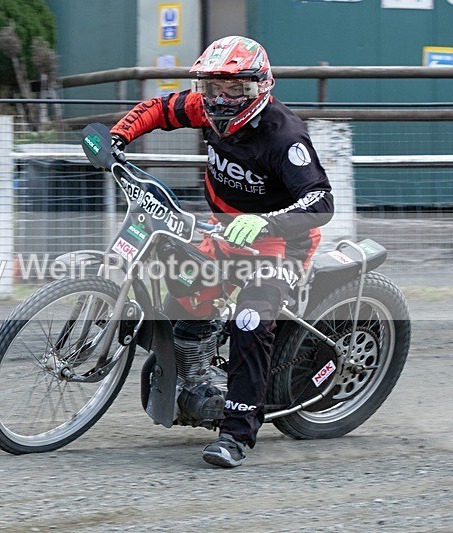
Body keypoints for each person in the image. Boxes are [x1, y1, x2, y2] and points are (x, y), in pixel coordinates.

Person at [110, 36, 334, 468]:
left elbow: (321, 201)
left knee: (250, 319)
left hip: (282, 242)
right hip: (226, 228)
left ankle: (236, 435)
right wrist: (119, 136)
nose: (221, 98)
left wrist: (269, 222)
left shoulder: (284, 136)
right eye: (212, 87)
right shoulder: (205, 108)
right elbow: (160, 108)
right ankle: (195, 371)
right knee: (183, 284)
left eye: (234, 88)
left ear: (259, 86)